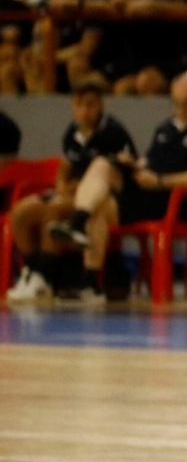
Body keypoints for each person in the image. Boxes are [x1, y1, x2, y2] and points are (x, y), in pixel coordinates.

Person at [47, 72, 187, 303]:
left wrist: (160, 181)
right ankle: (88, 275)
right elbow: (150, 161)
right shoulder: (166, 127)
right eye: (176, 103)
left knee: (101, 205)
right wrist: (133, 164)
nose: (181, 109)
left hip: (173, 200)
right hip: (146, 191)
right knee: (103, 166)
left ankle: (79, 230)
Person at [6, 78, 137, 305]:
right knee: (21, 210)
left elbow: (122, 174)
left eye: (90, 104)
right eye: (79, 104)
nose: (85, 110)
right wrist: (61, 184)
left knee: (53, 210)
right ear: (72, 105)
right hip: (71, 194)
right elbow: (66, 166)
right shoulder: (71, 133)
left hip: (101, 200)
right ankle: (31, 271)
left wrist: (76, 188)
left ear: (101, 105)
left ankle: (45, 275)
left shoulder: (114, 132)